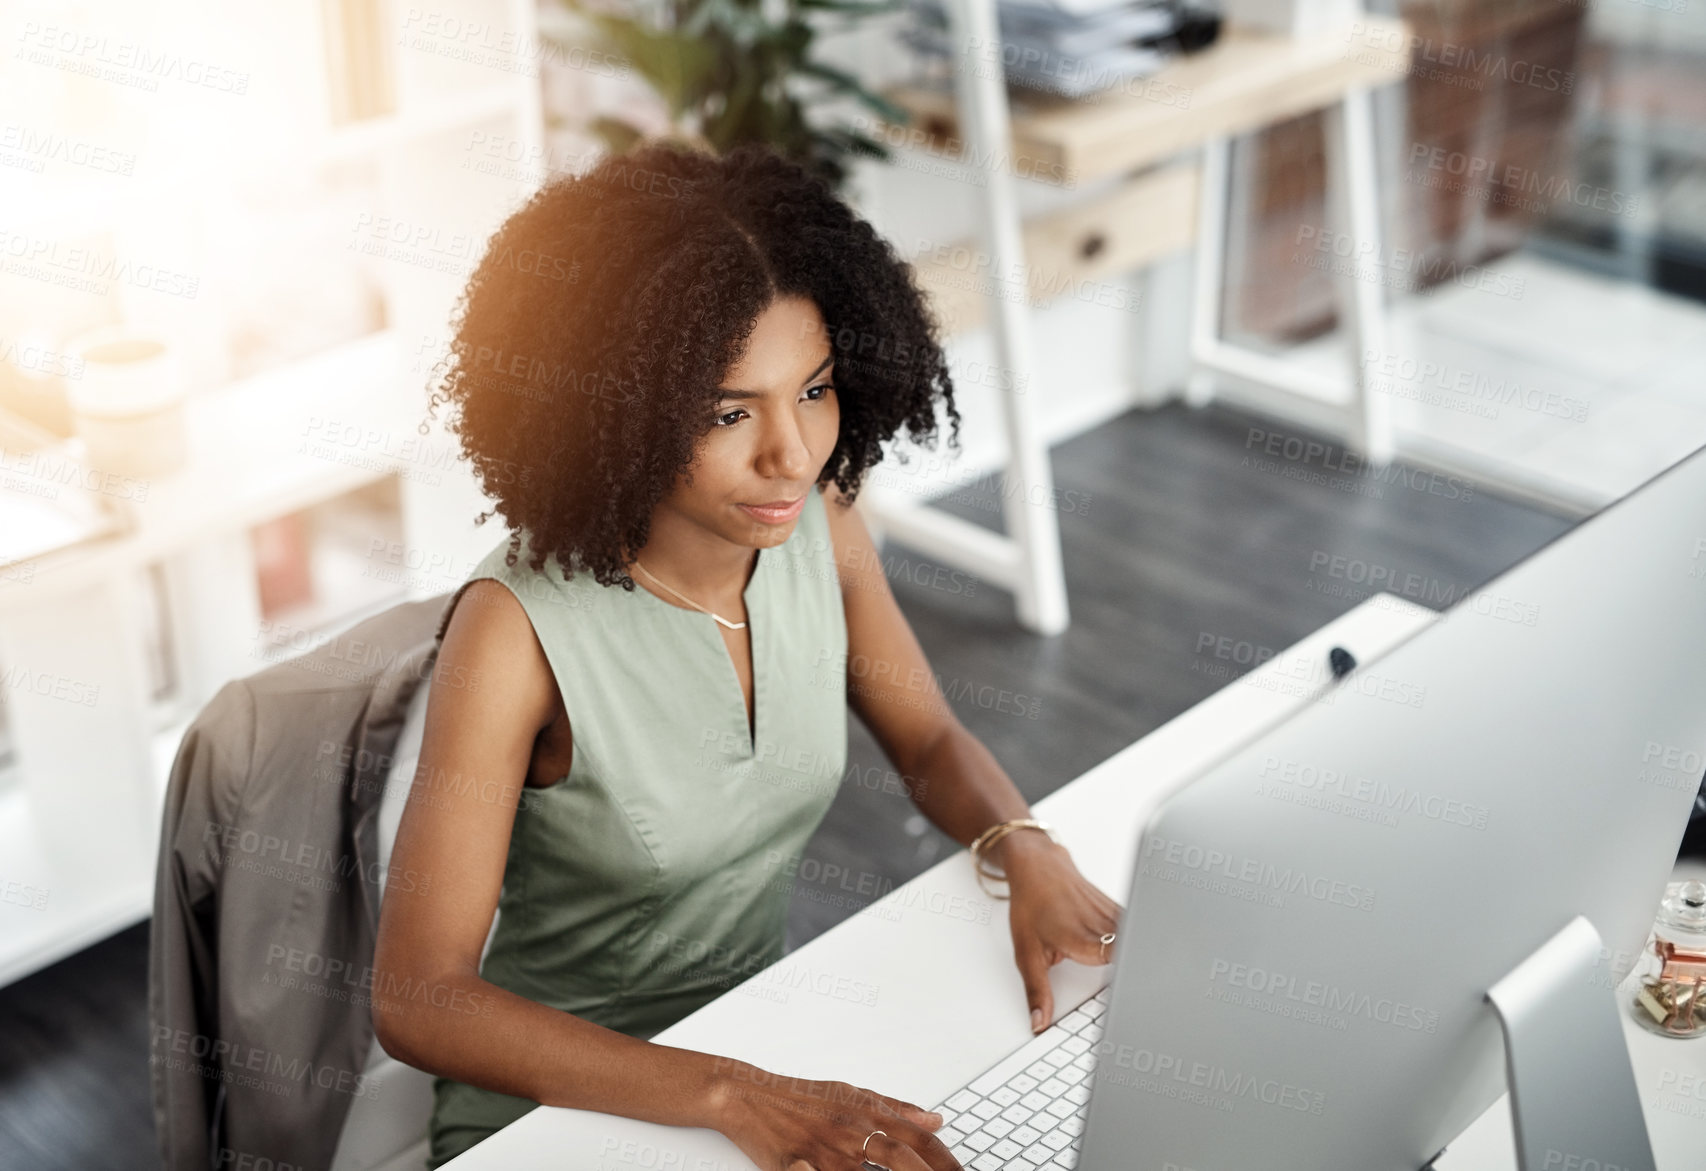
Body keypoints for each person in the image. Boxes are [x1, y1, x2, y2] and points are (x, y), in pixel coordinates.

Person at [371, 138, 1123, 1171]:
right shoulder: (514, 630)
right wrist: (729, 1093)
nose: (792, 452)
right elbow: (418, 998)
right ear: (612, 411)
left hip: (758, 1045)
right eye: (729, 412)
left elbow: (929, 736)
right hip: (561, 1113)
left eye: (811, 390)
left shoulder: (817, 515)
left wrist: (1021, 844)